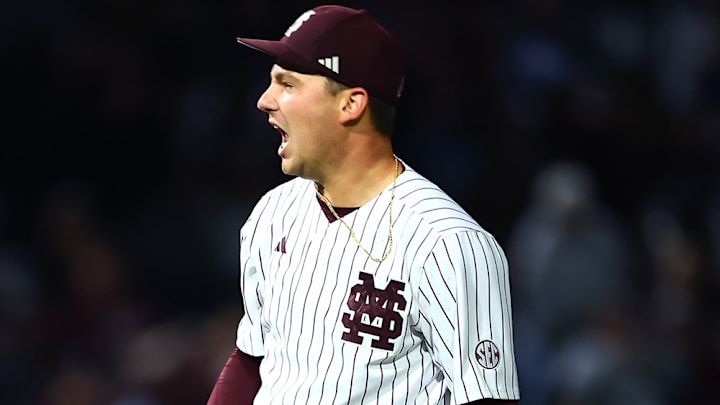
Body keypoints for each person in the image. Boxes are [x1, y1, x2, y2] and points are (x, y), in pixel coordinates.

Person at [207, 5, 520, 404]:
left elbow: (486, 398)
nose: (265, 101)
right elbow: (252, 359)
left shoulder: (449, 242)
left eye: (287, 85)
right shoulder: (272, 214)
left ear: (351, 104)